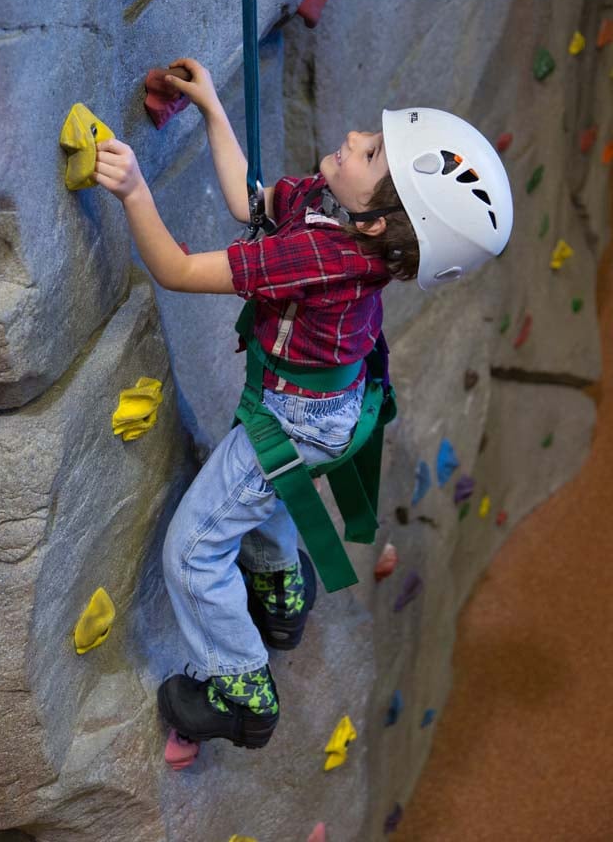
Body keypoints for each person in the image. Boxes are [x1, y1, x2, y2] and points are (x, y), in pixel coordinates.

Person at [94, 57, 513, 750]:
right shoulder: (334, 211)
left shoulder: (323, 256)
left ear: (377, 224)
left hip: (298, 418)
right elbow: (247, 204)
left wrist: (136, 190)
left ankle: (241, 687)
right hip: (328, 407)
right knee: (269, 493)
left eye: (371, 151)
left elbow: (174, 270)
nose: (353, 137)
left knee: (194, 550)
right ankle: (281, 592)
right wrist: (213, 112)